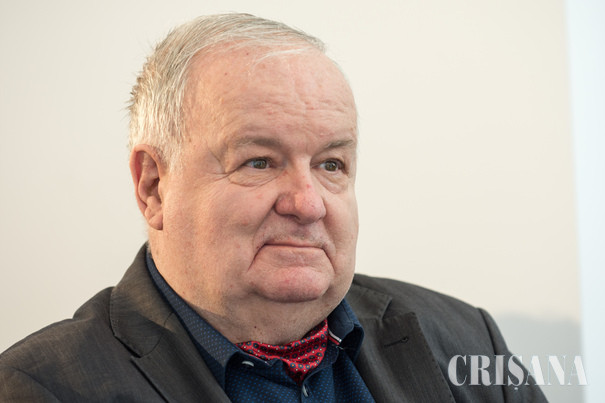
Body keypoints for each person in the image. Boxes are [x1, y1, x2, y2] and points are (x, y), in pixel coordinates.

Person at [0, 13, 546, 402]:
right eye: (259, 161)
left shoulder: (469, 342)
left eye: (331, 164)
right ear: (154, 187)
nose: (307, 203)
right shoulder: (40, 388)